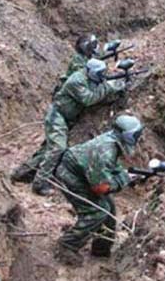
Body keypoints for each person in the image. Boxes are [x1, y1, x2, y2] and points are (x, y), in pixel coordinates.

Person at [10, 59, 125, 194]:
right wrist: (109, 87)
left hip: (66, 118)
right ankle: (39, 184)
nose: (102, 76)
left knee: (47, 150)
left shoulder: (89, 78)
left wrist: (115, 87)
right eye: (99, 73)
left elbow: (99, 90)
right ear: (92, 72)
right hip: (57, 116)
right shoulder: (77, 80)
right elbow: (89, 99)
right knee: (58, 148)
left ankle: (20, 173)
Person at [50, 114, 145, 266]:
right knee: (97, 211)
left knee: (109, 209)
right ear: (127, 135)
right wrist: (124, 179)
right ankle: (67, 245)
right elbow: (100, 188)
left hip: (82, 174)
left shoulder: (113, 141)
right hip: (70, 176)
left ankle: (101, 250)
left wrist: (125, 174)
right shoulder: (105, 151)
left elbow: (107, 169)